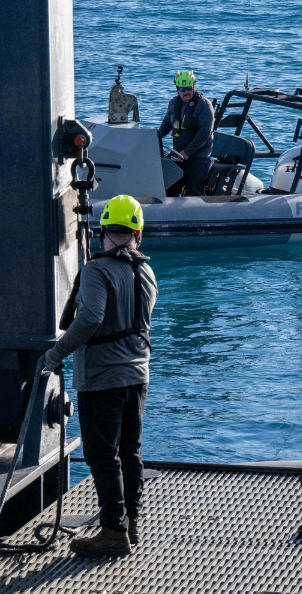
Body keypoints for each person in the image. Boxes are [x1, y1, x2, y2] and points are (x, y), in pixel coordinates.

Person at [41, 195, 158, 557]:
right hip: (138, 376)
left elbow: (90, 318)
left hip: (103, 378)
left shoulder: (97, 270)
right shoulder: (147, 271)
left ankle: (112, 532)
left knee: (102, 456)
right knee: (130, 451)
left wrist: (55, 354)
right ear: (138, 232)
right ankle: (131, 523)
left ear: (103, 231)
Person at [157, 70, 214, 196]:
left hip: (198, 157)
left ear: (193, 87)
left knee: (194, 191)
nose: (186, 92)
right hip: (178, 155)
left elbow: (205, 132)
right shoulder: (173, 103)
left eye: (188, 88)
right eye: (182, 89)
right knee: (170, 189)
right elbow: (167, 123)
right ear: (177, 89)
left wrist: (187, 152)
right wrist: (155, 138)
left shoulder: (204, 106)